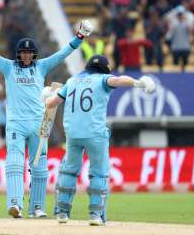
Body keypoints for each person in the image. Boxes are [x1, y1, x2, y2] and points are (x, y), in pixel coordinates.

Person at [0, 15, 93, 218]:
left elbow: (62, 53)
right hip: (16, 124)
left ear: (34, 54)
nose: (27, 56)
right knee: (14, 163)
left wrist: (80, 37)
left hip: (39, 124)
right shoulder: (8, 67)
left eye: (30, 53)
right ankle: (15, 204)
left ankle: (37, 207)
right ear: (18, 54)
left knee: (39, 168)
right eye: (24, 53)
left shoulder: (41, 67)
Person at [44, 55, 155, 226]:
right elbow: (118, 80)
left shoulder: (72, 81)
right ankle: (96, 214)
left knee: (68, 171)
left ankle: (62, 212)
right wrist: (138, 83)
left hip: (73, 134)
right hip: (95, 133)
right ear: (104, 70)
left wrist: (44, 96)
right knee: (99, 173)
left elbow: (52, 103)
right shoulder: (103, 79)